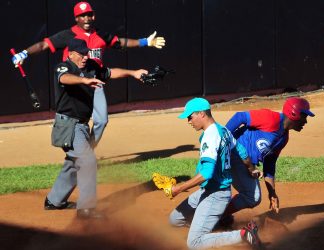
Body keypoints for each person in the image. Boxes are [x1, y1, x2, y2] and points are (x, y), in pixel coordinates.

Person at [11, 1, 165, 148]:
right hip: (75, 84)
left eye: (89, 15)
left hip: (95, 80)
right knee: (76, 121)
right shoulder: (68, 35)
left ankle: (88, 150)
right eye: (82, 15)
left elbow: (120, 42)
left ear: (94, 16)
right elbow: (44, 44)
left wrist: (145, 42)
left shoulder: (100, 35)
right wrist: (24, 53)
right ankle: (77, 153)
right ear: (76, 18)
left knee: (102, 120)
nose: (86, 18)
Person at [46, 38, 147, 219]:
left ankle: (54, 200)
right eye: (81, 54)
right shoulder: (63, 67)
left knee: (74, 161)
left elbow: (109, 72)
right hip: (68, 124)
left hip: (82, 125)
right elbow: (64, 78)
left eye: (87, 53)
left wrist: (134, 73)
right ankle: (86, 209)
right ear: (71, 54)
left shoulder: (91, 66)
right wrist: (84, 81)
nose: (85, 57)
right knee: (88, 161)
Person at [168, 97, 261, 249]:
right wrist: (252, 169)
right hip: (207, 191)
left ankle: (244, 234)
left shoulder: (211, 136)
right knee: (175, 219)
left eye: (190, 117)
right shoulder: (223, 130)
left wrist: (178, 189)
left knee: (194, 243)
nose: (189, 121)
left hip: (216, 195)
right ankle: (208, 225)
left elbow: (206, 173)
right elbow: (242, 151)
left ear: (201, 114)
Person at [221, 97, 315, 223]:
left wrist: (272, 193)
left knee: (251, 196)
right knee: (252, 196)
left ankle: (218, 215)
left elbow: (269, 165)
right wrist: (221, 139)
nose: (305, 121)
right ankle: (217, 216)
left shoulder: (283, 138)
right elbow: (240, 117)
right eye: (304, 116)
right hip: (234, 154)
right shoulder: (272, 118)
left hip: (246, 163)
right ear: (294, 113)